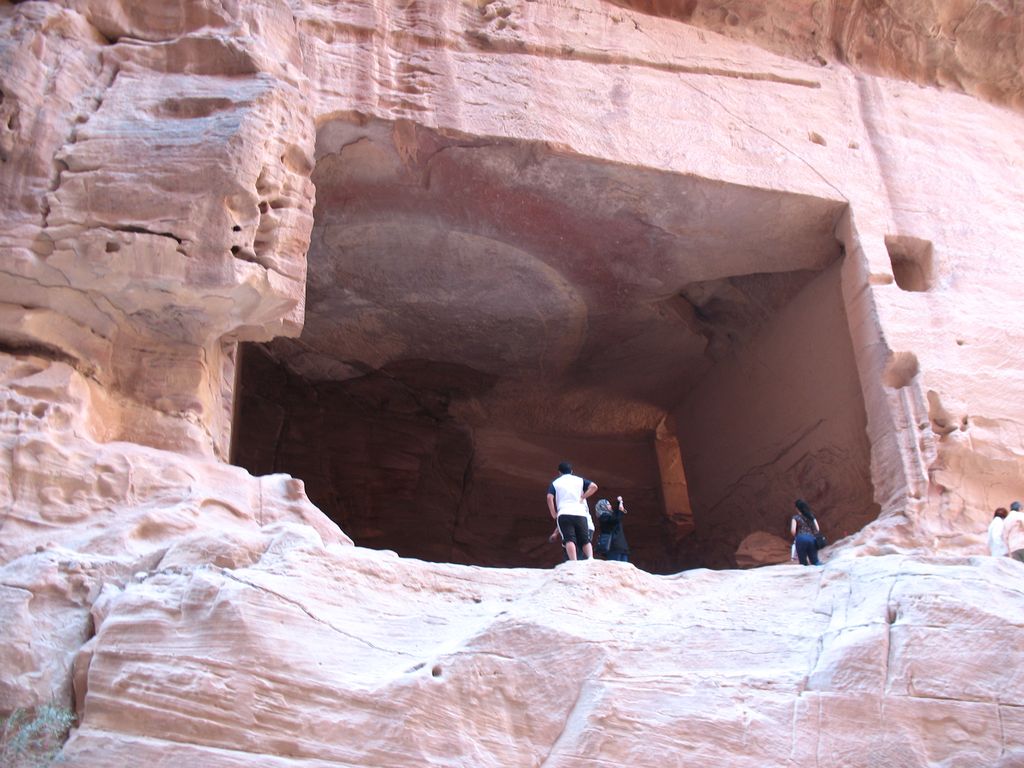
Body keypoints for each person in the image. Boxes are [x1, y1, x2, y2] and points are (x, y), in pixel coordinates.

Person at [546, 461, 598, 561]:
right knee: (585, 539)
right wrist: (583, 497)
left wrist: (553, 513)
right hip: (580, 513)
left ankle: (573, 562)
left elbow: (549, 497)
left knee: (569, 539)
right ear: (571, 471)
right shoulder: (579, 480)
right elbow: (594, 486)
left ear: (559, 472)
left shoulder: (556, 483)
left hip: (564, 513)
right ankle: (591, 558)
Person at [596, 496, 630, 562]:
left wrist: (619, 503)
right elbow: (616, 519)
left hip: (621, 546)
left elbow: (617, 515)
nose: (610, 506)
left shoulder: (610, 516)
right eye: (608, 504)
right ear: (603, 506)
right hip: (613, 546)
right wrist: (620, 509)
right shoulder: (603, 517)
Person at [790, 499, 821, 566]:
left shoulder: (795, 517)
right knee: (815, 561)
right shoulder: (811, 516)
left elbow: (793, 531)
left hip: (800, 539)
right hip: (812, 539)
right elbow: (817, 529)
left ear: (797, 508)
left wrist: (797, 536)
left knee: (803, 562)